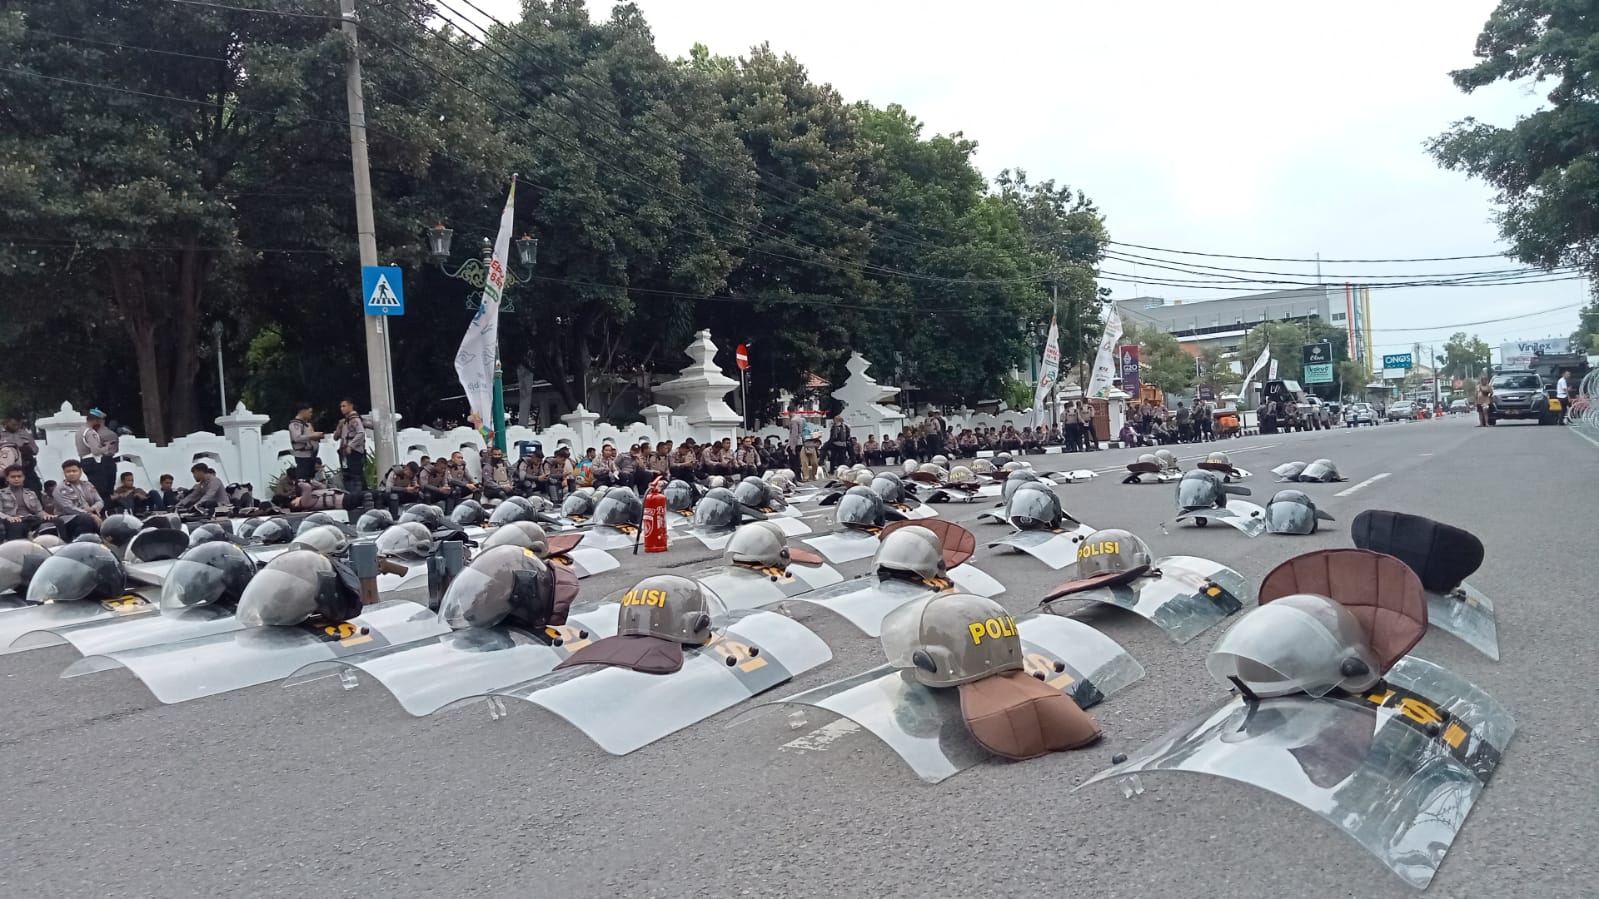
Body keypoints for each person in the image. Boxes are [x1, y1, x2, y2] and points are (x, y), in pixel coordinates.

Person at [75, 407, 120, 501]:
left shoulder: (80, 430)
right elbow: (96, 451)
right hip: (93, 462)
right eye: (99, 420)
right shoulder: (90, 432)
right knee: (102, 490)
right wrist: (107, 447)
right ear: (95, 420)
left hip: (84, 460)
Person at [52, 459, 105, 538]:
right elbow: (69, 508)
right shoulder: (60, 489)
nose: (71, 474)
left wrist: (93, 508)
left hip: (88, 514)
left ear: (80, 471)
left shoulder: (87, 484)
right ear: (64, 473)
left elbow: (99, 501)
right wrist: (90, 515)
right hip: (68, 518)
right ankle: (83, 543)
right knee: (86, 520)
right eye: (68, 472)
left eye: (74, 471)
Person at [334, 399, 368, 498]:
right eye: (341, 406)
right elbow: (336, 437)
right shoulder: (345, 421)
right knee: (348, 475)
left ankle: (359, 496)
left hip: (354, 452)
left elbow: (361, 433)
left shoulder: (355, 419)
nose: (342, 409)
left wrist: (351, 445)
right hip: (344, 453)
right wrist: (339, 427)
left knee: (356, 475)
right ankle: (358, 495)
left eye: (344, 406)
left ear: (351, 406)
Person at [1, 464, 45, 540]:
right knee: (16, 526)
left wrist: (46, 515)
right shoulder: (1, 494)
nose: (16, 479)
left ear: (23, 477)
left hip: (31, 519)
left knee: (57, 521)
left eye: (19, 476)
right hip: (13, 521)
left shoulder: (31, 493)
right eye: (13, 477)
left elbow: (39, 511)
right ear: (7, 478)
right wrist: (8, 517)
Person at [0, 414, 41, 492]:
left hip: (25, 468)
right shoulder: (1, 433)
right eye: (14, 424)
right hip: (5, 469)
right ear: (6, 422)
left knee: (34, 489)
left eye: (19, 425)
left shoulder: (25, 434)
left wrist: (28, 449)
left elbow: (35, 450)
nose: (17, 427)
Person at [287, 404, 324, 481]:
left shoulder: (307, 424)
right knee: (303, 479)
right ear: (303, 411)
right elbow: (297, 438)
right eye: (309, 412)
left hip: (311, 455)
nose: (311, 414)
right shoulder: (295, 424)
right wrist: (312, 436)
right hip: (302, 455)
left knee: (311, 479)